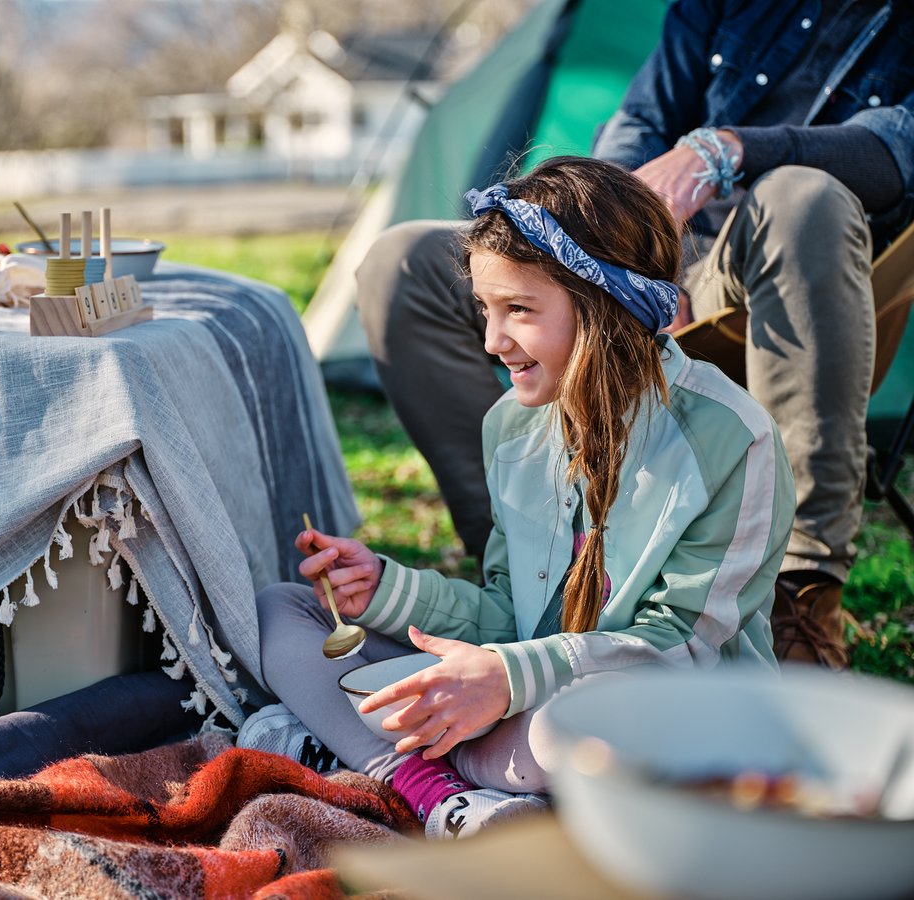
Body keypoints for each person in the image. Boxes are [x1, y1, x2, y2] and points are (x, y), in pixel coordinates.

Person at [245, 157, 796, 840]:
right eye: (484, 308)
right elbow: (512, 615)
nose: (491, 341)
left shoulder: (731, 440)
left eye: (518, 311)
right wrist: (385, 592)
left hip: (666, 711)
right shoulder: (512, 426)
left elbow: (681, 649)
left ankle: (354, 750)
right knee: (286, 609)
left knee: (597, 717)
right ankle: (442, 796)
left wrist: (507, 679)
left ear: (605, 304)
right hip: (524, 697)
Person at [356, 0, 914, 670]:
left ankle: (801, 593)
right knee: (403, 262)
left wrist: (730, 149)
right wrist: (623, 246)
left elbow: (897, 150)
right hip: (658, 258)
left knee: (802, 196)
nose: (491, 339)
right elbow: (642, 118)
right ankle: (530, 572)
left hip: (793, 271)